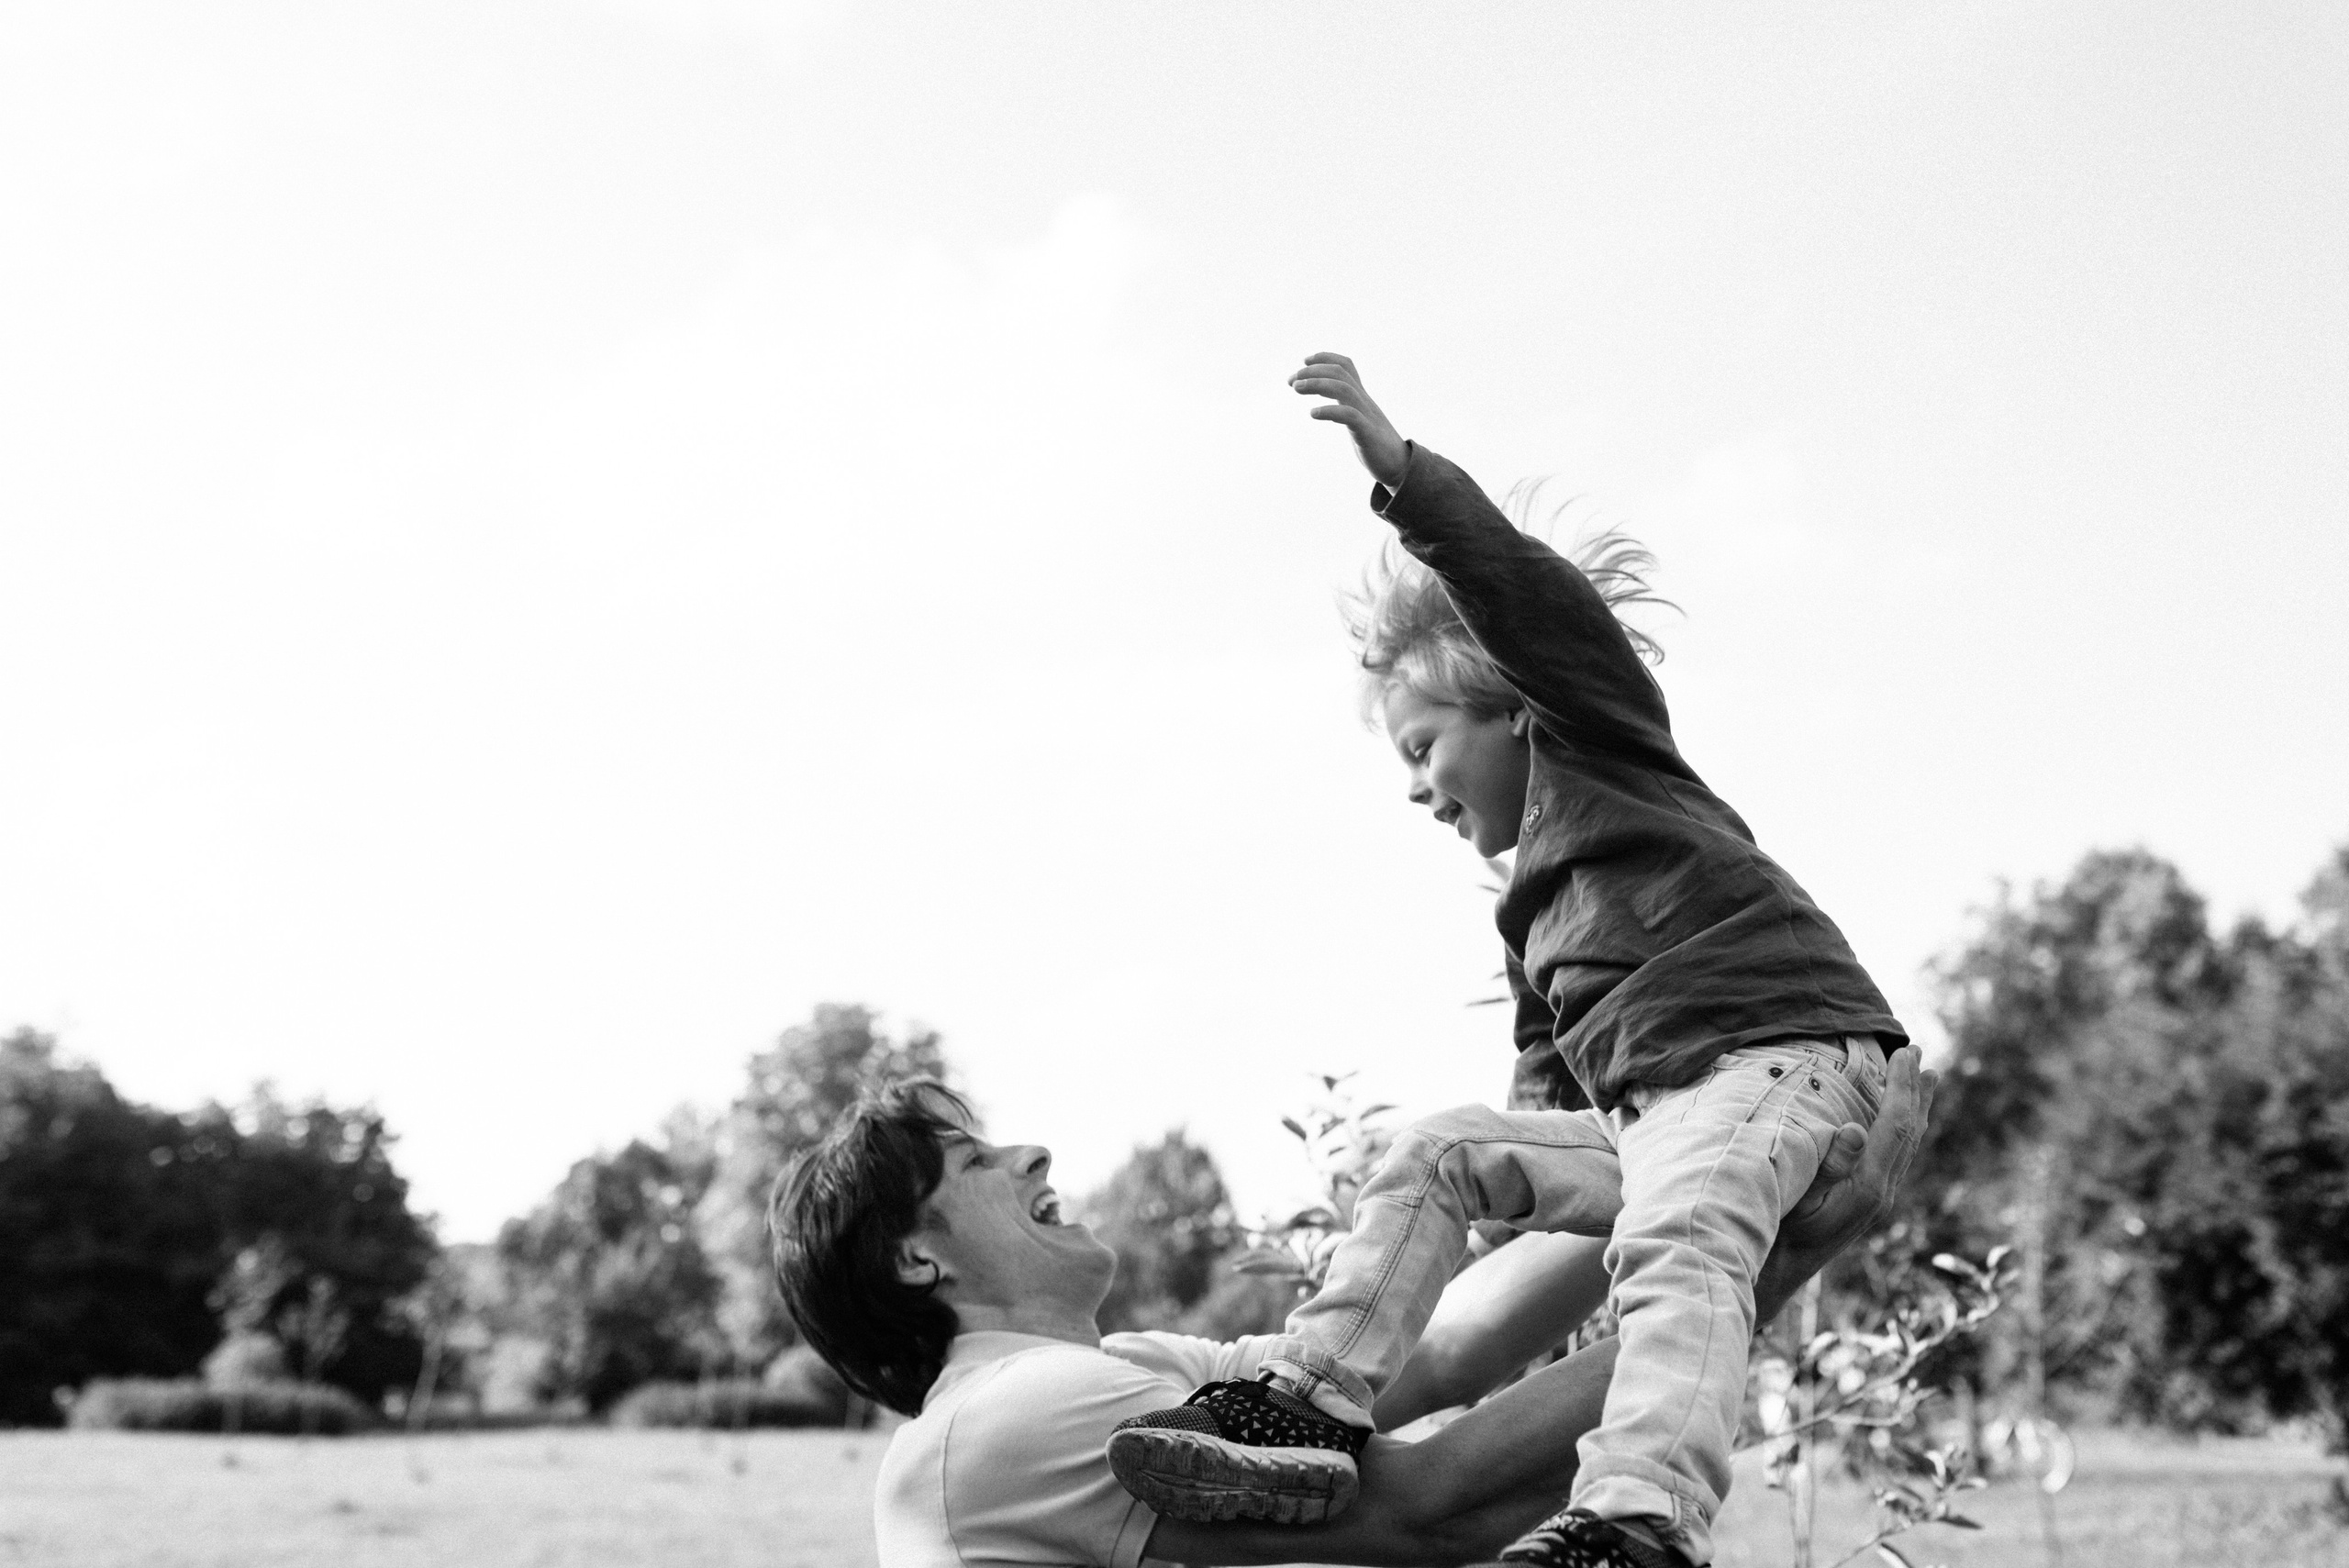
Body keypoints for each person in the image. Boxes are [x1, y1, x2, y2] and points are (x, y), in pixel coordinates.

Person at [1106, 356, 1910, 1568]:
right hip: (1668, 1117)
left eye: (1423, 745)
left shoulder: (1599, 739)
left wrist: (1409, 482)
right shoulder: (1531, 911)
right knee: (1439, 1150)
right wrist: (1495, 1211)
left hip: (1783, 1065)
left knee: (1679, 1238)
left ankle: (1639, 1520)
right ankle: (1307, 1402)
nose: (1415, 784)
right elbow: (1550, 1097)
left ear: (1520, 706)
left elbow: (1523, 596)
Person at [771, 1056, 1933, 1568]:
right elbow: (1437, 1507)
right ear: (916, 1256)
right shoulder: (1006, 1423)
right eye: (975, 1158)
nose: (1032, 1147)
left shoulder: (1125, 1367)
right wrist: (1775, 1253)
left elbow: (1433, 1356)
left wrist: (1699, 1167)